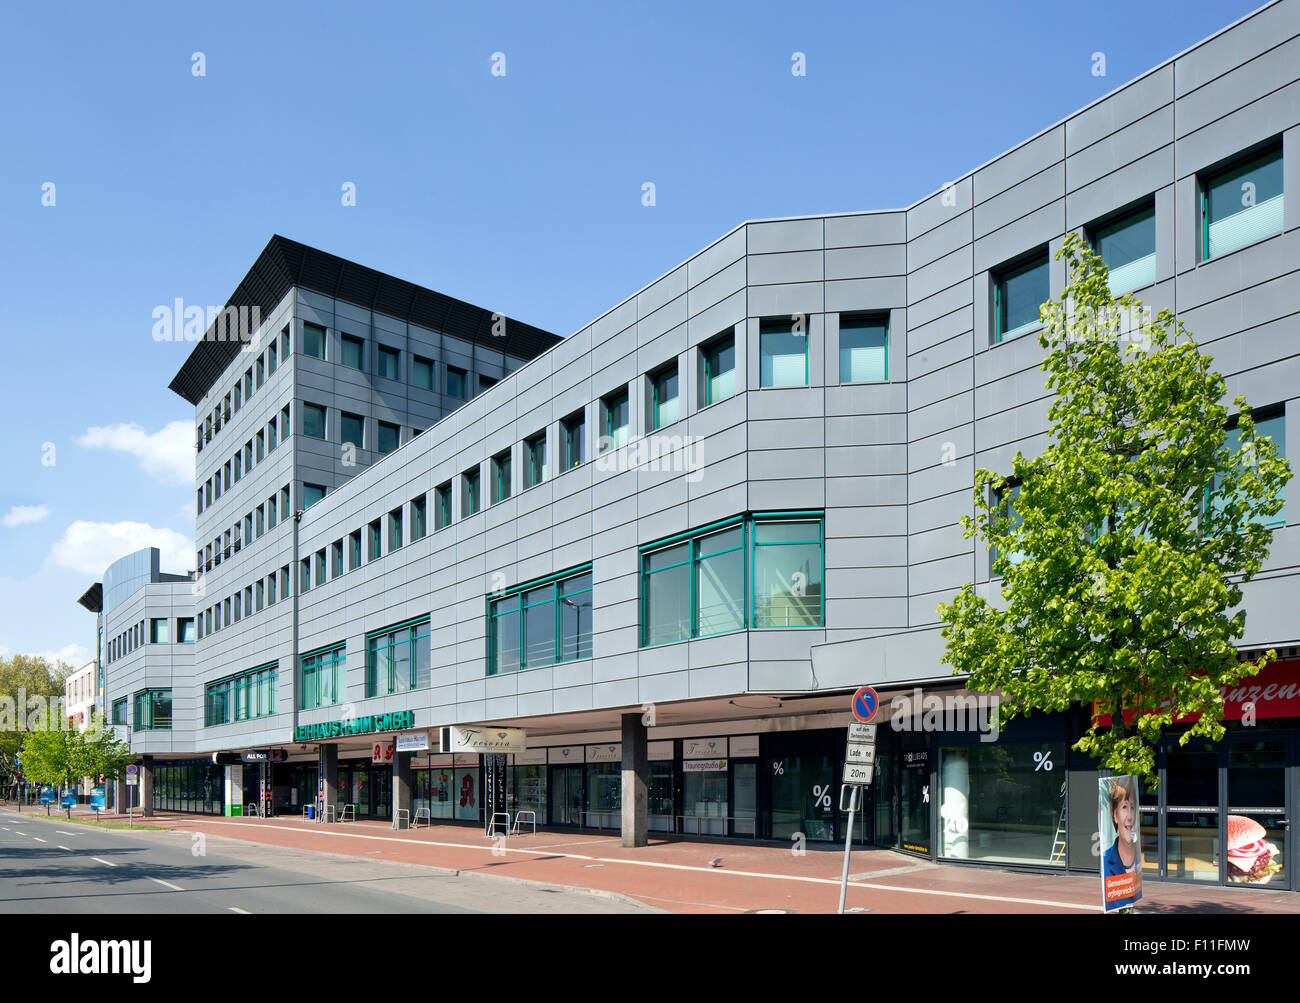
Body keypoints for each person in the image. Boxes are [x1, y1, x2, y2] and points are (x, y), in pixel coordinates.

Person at [1102, 776, 1141, 909]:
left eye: (1132, 807)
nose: (1130, 816)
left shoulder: (1138, 859)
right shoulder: (1106, 861)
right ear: (1114, 815)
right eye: (1124, 807)